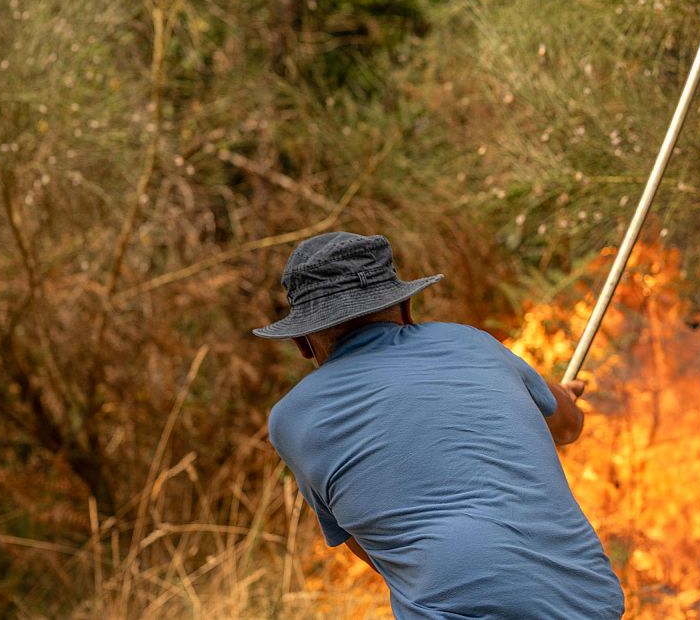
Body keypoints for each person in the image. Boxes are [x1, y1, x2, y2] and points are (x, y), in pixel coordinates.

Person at [255, 231, 625, 619]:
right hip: (591, 603)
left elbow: (372, 546)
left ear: (301, 343)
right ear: (407, 308)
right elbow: (568, 427)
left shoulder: (290, 419)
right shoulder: (474, 343)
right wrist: (562, 399)